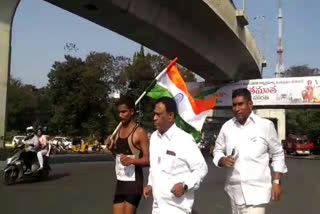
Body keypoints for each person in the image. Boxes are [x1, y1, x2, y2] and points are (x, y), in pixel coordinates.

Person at [213, 88, 288, 214]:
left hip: (257, 193)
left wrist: (276, 182)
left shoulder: (265, 126)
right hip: (234, 192)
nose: (237, 109)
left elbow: (277, 154)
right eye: (234, 105)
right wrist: (222, 160)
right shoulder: (227, 127)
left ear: (250, 105)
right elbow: (217, 150)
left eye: (240, 104)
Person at [143, 97, 208, 214]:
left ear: (170, 116)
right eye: (154, 114)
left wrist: (185, 185)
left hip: (177, 208)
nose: (154, 118)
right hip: (157, 206)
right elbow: (155, 167)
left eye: (158, 114)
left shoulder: (184, 139)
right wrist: (150, 184)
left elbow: (201, 168)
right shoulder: (154, 138)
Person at [105, 95, 150, 214]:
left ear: (132, 111)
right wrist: (112, 149)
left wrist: (132, 161)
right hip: (121, 183)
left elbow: (149, 160)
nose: (120, 115)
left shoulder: (139, 132)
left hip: (134, 184)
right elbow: (118, 158)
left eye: (124, 112)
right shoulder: (118, 132)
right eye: (119, 112)